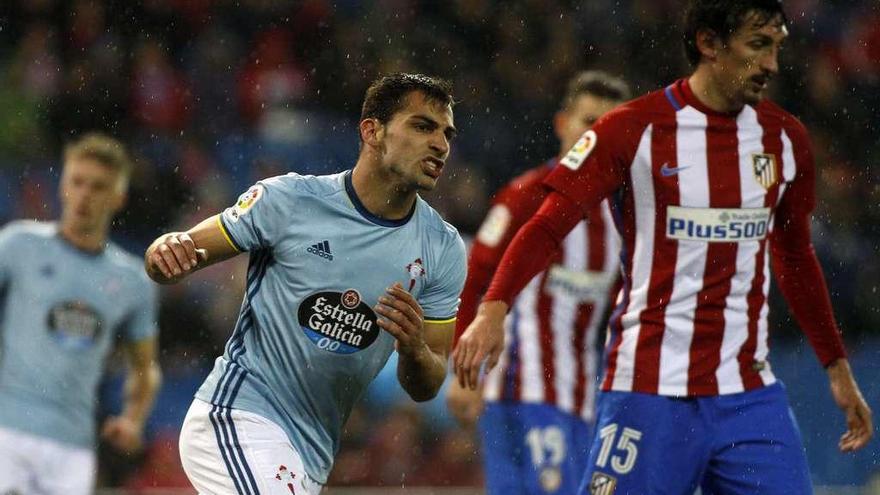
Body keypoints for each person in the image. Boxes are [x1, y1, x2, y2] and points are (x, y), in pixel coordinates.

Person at [454, 1, 874, 494]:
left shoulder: (784, 139)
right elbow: (547, 226)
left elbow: (796, 259)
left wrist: (837, 367)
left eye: (776, 48)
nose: (771, 65)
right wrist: (493, 310)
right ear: (709, 43)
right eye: (758, 45)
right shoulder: (632, 130)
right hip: (648, 390)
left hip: (748, 395)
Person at [145, 73, 466, 494]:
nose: (441, 144)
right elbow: (181, 253)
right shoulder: (290, 201)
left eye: (447, 133)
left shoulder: (442, 248)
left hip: (310, 452)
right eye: (423, 126)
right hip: (239, 416)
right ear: (372, 131)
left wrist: (413, 348)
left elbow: (427, 383)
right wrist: (164, 251)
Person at [446, 70, 630, 495]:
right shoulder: (525, 196)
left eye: (610, 125)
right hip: (515, 389)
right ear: (562, 124)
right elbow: (474, 280)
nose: (599, 135)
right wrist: (462, 372)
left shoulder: (627, 212)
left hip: (580, 399)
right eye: (589, 122)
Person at [0, 133, 162, 495]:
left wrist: (133, 419)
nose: (85, 195)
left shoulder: (132, 280)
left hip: (73, 447)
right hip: (5, 432)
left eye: (98, 186)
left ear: (118, 197)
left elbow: (145, 367)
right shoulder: (17, 245)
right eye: (77, 182)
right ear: (62, 186)